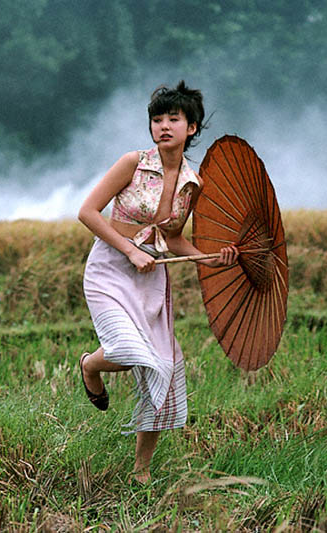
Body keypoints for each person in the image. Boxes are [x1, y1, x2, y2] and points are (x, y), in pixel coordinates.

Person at [77, 81, 239, 484]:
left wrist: (213, 257)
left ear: (193, 128)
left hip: (153, 278)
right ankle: (90, 366)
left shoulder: (193, 183)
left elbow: (176, 238)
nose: (164, 126)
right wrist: (131, 250)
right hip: (111, 268)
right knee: (130, 352)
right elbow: (88, 212)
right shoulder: (133, 162)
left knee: (163, 366)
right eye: (157, 119)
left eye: (174, 119)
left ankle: (141, 471)